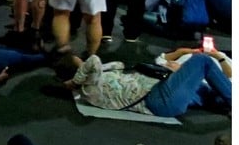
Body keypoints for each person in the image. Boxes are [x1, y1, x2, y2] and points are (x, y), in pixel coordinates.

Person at [63, 50, 231, 118]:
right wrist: (74, 81)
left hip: (160, 94)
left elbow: (116, 65)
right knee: (203, 60)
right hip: (158, 98)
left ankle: (226, 103)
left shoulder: (95, 79)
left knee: (205, 91)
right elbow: (93, 60)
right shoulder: (89, 88)